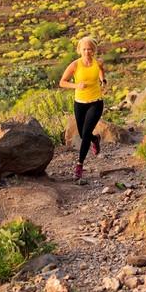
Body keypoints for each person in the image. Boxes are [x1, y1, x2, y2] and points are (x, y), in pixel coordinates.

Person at [59, 36, 107, 182]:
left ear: (94, 50)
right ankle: (95, 139)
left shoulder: (98, 63)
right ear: (80, 50)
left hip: (96, 102)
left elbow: (101, 71)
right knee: (82, 133)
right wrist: (76, 86)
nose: (87, 52)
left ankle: (79, 165)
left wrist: (103, 81)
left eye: (90, 49)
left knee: (85, 134)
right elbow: (62, 82)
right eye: (84, 49)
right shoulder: (74, 65)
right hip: (79, 103)